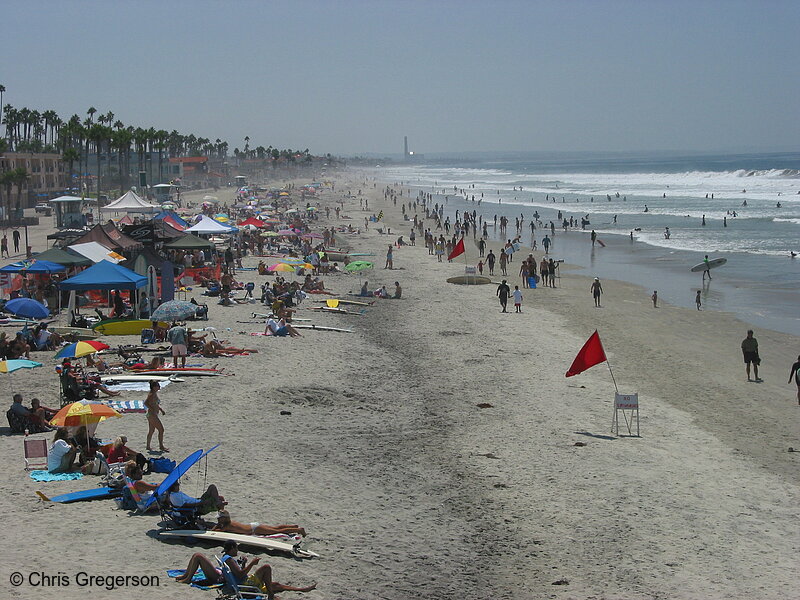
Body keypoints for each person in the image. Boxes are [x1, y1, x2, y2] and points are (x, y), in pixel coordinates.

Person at [175, 540, 316, 596]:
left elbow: (237, 572)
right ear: (231, 549)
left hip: (240, 581)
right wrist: (252, 564)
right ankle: (272, 596)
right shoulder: (229, 560)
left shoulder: (227, 559)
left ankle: (301, 590)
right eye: (236, 547)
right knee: (266, 568)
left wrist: (242, 563)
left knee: (274, 584)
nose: (238, 549)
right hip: (245, 584)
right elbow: (241, 573)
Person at [210, 510, 306, 537]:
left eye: (219, 519)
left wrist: (215, 526)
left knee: (277, 531)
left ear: (223, 519)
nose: (218, 521)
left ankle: (298, 530)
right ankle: (293, 527)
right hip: (253, 525)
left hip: (254, 529)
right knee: (275, 528)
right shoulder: (229, 522)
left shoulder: (226, 526)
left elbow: (214, 531)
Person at [145, 380, 168, 452]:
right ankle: (161, 446)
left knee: (151, 430)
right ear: (154, 387)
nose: (159, 387)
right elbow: (146, 403)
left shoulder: (154, 393)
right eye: (158, 385)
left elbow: (155, 404)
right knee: (161, 430)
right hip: (151, 414)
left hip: (151, 414)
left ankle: (148, 446)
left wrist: (161, 410)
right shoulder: (151, 394)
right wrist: (152, 409)